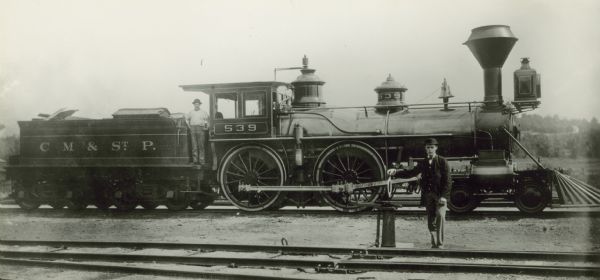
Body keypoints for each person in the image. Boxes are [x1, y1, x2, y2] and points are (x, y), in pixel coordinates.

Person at [387, 138, 451, 248]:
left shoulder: (442, 161)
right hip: (428, 195)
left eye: (432, 147)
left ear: (436, 148)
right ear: (425, 149)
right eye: (428, 148)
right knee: (431, 219)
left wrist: (444, 196)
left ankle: (440, 244)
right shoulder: (424, 162)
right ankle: (434, 242)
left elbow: (448, 181)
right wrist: (395, 172)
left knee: (440, 216)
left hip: (440, 195)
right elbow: (411, 172)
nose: (430, 150)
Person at [186, 99, 210, 165]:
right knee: (194, 146)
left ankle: (202, 161)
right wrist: (189, 127)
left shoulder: (203, 112)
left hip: (200, 129)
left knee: (201, 145)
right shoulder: (191, 112)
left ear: (200, 104)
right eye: (195, 104)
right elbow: (187, 120)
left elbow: (207, 121)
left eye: (198, 104)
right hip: (193, 129)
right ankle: (195, 160)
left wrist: (205, 127)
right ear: (193, 105)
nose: (196, 105)